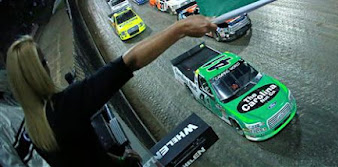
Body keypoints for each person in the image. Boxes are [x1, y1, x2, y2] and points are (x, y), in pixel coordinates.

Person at [6, 15, 217, 167]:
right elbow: (128, 63)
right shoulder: (64, 107)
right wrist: (180, 28)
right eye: (44, 62)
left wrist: (120, 160)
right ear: (40, 70)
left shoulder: (31, 129)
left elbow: (85, 157)